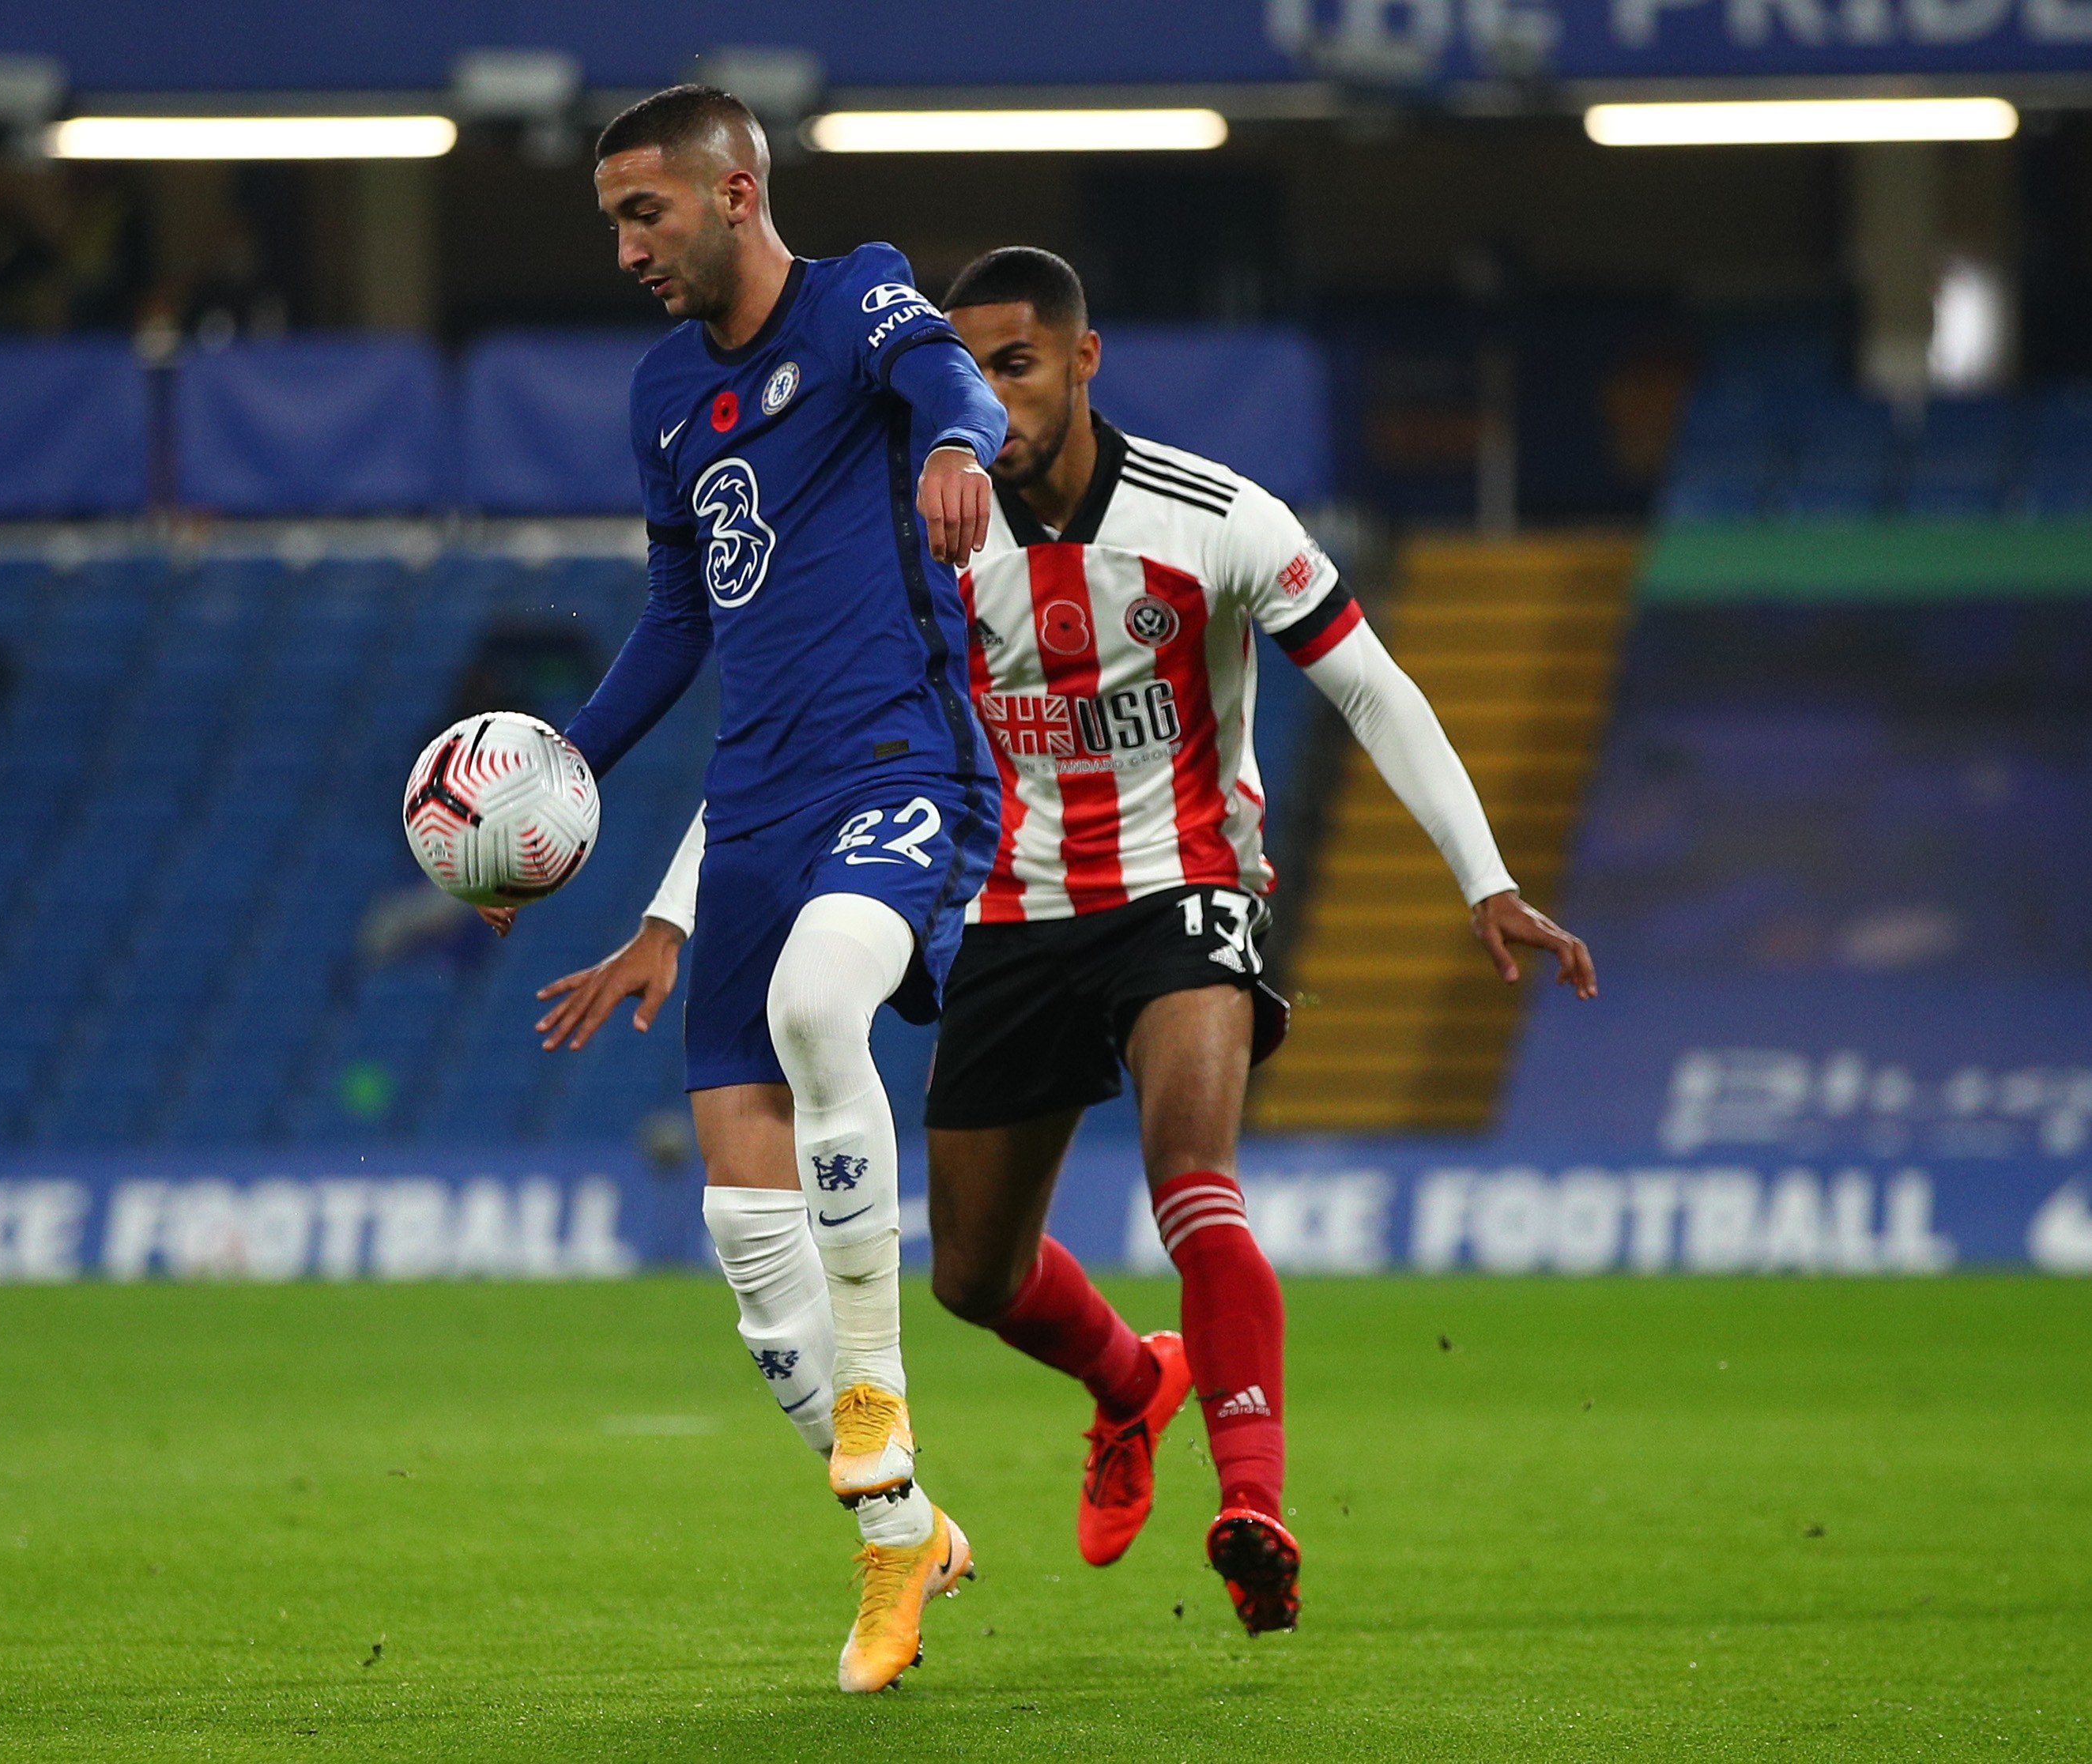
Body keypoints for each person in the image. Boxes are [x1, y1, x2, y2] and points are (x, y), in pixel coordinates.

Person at [536, 247, 1598, 1638]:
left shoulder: (1214, 518)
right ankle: (1127, 1382)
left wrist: (1485, 875)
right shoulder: (914, 539)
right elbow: (800, 747)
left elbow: (1370, 684)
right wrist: (678, 910)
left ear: (1084, 362)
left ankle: (1253, 1502)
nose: (988, 399)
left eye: (1018, 366)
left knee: (1191, 1177)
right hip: (1005, 905)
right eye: (966, 372)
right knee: (971, 1271)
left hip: (1184, 885)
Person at [486, 85, 1008, 1694]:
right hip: (758, 807)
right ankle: (896, 1535)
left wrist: (956, 451)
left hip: (901, 765)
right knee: (739, 1224)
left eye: (647, 213)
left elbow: (949, 385)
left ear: (733, 189)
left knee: (810, 1009)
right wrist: (551, 784)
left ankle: (879, 1399)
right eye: (612, 223)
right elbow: (673, 623)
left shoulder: (859, 294)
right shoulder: (660, 396)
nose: (628, 247)